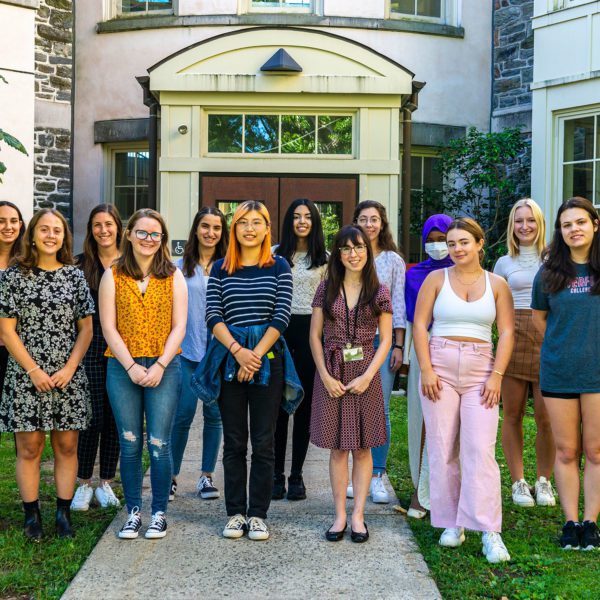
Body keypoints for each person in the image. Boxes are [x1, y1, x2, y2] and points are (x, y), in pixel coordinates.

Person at [414, 217, 514, 563]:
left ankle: (489, 531)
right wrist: (425, 369)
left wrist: (497, 375)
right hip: (439, 366)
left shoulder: (497, 284)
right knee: (442, 447)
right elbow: (419, 324)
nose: (456, 249)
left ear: (480, 243)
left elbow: (507, 332)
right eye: (452, 243)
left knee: (480, 449)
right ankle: (453, 522)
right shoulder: (435, 279)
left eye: (463, 243)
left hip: (481, 369)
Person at [200, 200, 297, 542]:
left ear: (266, 228)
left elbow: (281, 316)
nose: (250, 228)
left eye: (257, 222)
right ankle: (235, 513)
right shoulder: (221, 269)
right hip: (230, 360)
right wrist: (239, 353)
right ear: (235, 228)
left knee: (264, 441)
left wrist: (254, 355)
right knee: (235, 442)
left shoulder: (279, 266)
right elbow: (214, 317)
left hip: (268, 361)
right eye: (243, 222)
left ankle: (257, 514)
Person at [0, 209, 94, 540]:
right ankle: (31, 516)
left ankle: (63, 514)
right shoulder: (13, 276)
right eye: (44, 229)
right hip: (27, 373)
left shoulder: (75, 276)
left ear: (64, 237)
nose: (51, 235)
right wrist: (34, 370)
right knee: (30, 446)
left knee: (67, 445)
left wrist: (69, 367)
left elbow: (86, 329)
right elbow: (7, 331)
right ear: (33, 234)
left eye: (57, 230)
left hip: (68, 375)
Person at [99, 208, 187, 540]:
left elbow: (179, 326)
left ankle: (159, 513)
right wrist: (132, 366)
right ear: (130, 234)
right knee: (130, 442)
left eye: (155, 234)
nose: (148, 239)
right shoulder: (114, 274)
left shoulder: (173, 275)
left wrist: (161, 364)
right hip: (123, 367)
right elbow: (108, 327)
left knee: (159, 443)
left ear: (162, 239)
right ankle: (134, 512)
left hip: (165, 366)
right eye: (142, 233)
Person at [310, 225, 392, 543]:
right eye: (345, 248)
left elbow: (385, 340)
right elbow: (314, 336)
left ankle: (358, 515)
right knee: (337, 448)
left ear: (367, 251)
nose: (353, 254)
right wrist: (325, 376)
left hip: (365, 372)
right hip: (332, 370)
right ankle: (339, 515)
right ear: (338, 254)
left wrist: (369, 375)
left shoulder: (379, 291)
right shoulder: (326, 288)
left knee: (361, 447)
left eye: (358, 247)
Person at [531, 196, 600, 551]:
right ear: (560, 231)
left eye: (580, 222)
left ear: (594, 225)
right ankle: (570, 522)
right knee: (567, 451)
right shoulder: (549, 274)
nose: (574, 229)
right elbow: (541, 321)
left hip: (597, 374)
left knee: (596, 451)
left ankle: (591, 523)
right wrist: (564, 348)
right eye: (567, 224)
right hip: (559, 372)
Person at [494, 199, 555, 508]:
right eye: (519, 221)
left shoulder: (555, 259)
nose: (525, 226)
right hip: (514, 335)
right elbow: (496, 306)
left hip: (547, 335)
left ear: (540, 223)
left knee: (548, 417)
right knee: (513, 413)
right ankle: (519, 482)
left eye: (530, 220)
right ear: (512, 226)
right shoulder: (503, 263)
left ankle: (544, 481)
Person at [170, 207, 228, 501]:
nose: (210, 233)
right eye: (205, 226)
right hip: (186, 352)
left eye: (216, 228)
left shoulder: (229, 266)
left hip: (217, 354)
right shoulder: (178, 267)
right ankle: (171, 476)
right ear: (196, 230)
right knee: (181, 415)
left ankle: (206, 476)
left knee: (214, 415)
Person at [273, 198, 327, 501]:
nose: (302, 221)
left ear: (314, 222)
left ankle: (296, 475)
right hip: (280, 333)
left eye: (307, 217)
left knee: (303, 406)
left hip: (310, 334)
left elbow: (331, 303)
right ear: (289, 221)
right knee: (279, 406)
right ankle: (276, 475)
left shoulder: (325, 259)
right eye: (296, 216)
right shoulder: (275, 255)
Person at [351, 200, 405, 504]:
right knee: (352, 407)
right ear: (355, 222)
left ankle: (377, 475)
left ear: (382, 224)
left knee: (379, 409)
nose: (369, 224)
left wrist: (398, 345)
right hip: (350, 345)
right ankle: (356, 472)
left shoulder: (392, 261)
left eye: (374, 219)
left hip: (381, 343)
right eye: (363, 219)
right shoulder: (348, 255)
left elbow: (398, 305)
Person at [71, 204, 123, 511]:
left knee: (115, 416)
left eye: (108, 224)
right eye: (97, 225)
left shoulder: (129, 264)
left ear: (118, 227)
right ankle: (83, 483)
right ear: (91, 231)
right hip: (90, 347)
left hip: (121, 349)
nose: (103, 230)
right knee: (90, 416)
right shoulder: (79, 266)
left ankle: (106, 483)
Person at [403, 213, 454, 519]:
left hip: (457, 349)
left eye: (442, 240)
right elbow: (412, 322)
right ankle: (422, 490)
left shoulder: (464, 273)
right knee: (423, 420)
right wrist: (410, 360)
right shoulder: (415, 275)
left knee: (453, 423)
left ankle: (449, 489)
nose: (437, 247)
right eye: (431, 241)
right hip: (424, 351)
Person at [0, 201, 25, 388]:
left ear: (21, 225)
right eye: (1, 221)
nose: (8, 227)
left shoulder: (29, 261)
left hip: (20, 349)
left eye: (13, 221)